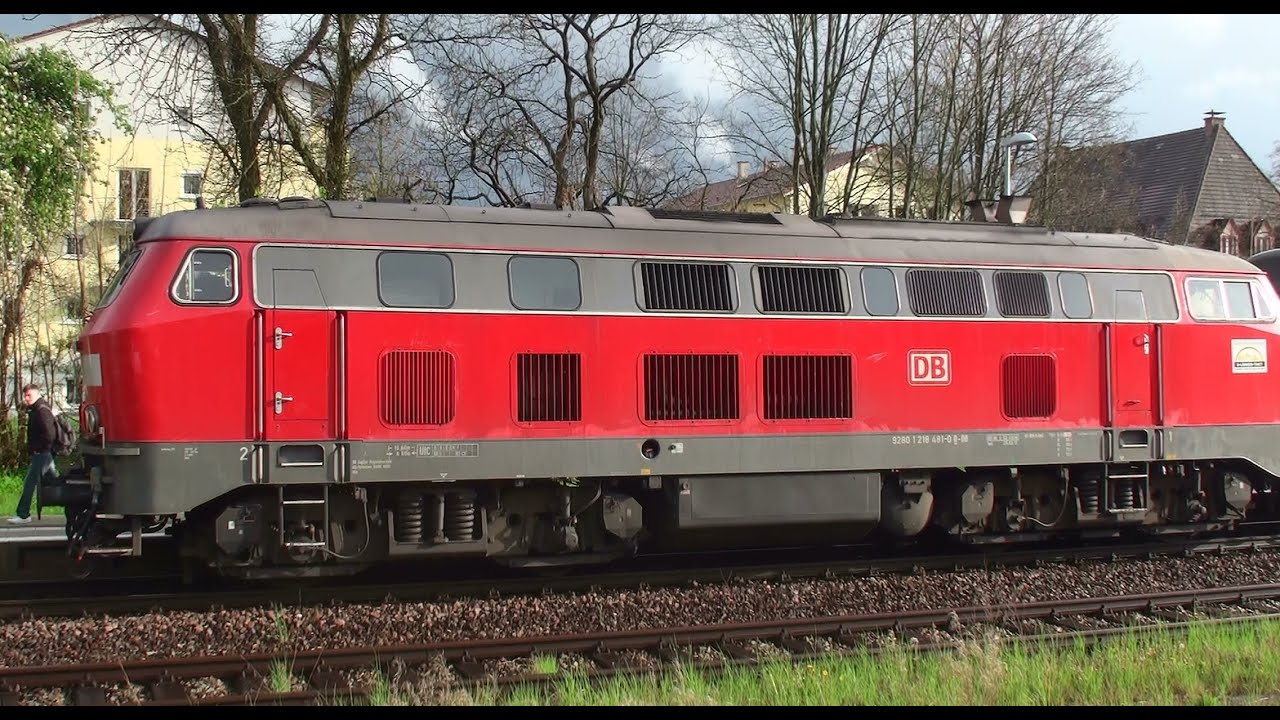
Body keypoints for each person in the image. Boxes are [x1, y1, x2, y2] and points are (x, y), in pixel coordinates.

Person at [8, 383, 58, 524]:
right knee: (53, 483)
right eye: (25, 395)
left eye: (29, 395)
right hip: (43, 453)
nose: (26, 398)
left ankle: (23, 514)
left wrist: (42, 449)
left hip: (42, 454)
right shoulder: (36, 409)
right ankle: (72, 505)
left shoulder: (42, 411)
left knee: (30, 483)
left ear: (37, 394)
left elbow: (50, 434)